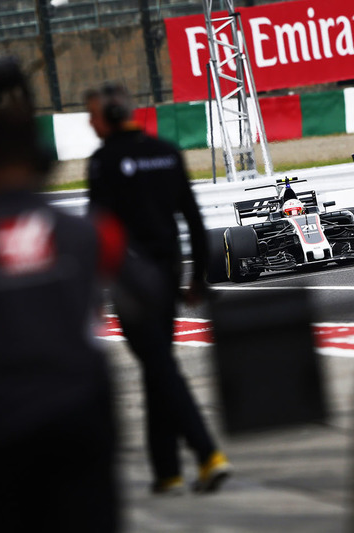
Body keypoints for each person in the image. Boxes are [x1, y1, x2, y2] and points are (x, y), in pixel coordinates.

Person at [0, 105, 123, 532]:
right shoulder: (87, 231)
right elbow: (146, 288)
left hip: (6, 424)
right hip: (81, 418)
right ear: (42, 162)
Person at [85, 82, 230, 494]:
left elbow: (95, 234)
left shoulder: (103, 162)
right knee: (157, 365)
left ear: (109, 116)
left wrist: (93, 294)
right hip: (167, 276)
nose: (91, 124)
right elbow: (194, 220)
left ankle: (207, 452)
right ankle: (166, 470)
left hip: (131, 281)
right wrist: (197, 277)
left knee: (159, 366)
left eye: (92, 115)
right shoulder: (167, 152)